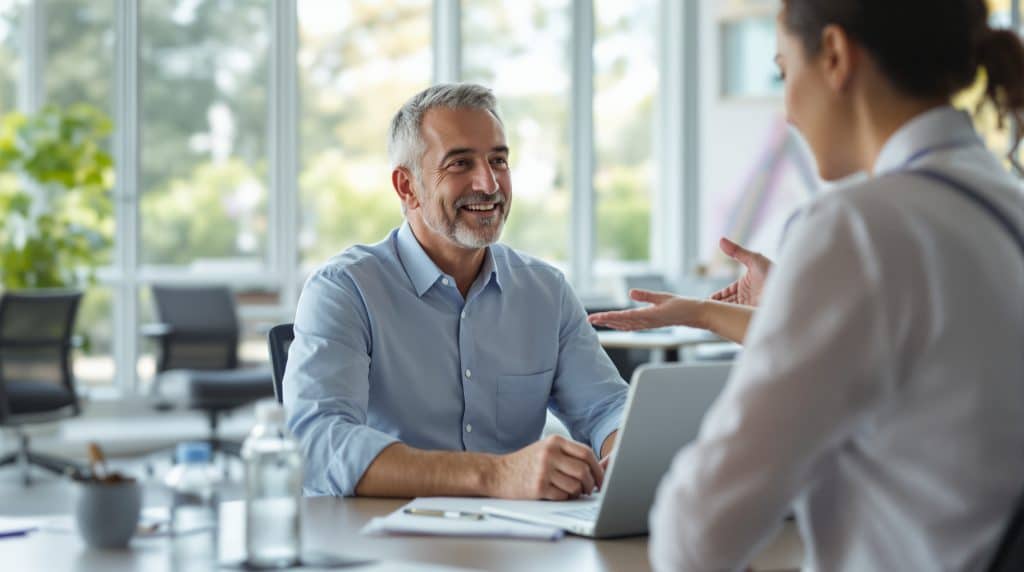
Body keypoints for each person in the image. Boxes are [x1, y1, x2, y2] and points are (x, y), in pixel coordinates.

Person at [590, 0, 1024, 569]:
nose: (787, 110)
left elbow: (694, 531)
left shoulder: (856, 229)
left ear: (836, 56)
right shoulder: (1007, 206)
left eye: (782, 72)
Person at [284, 83, 627, 499]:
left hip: (518, 545)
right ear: (407, 186)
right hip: (383, 548)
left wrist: (621, 455)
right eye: (460, 163)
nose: (488, 183)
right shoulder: (344, 290)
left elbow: (608, 407)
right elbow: (316, 445)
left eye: (498, 160)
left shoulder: (545, 291)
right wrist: (494, 475)